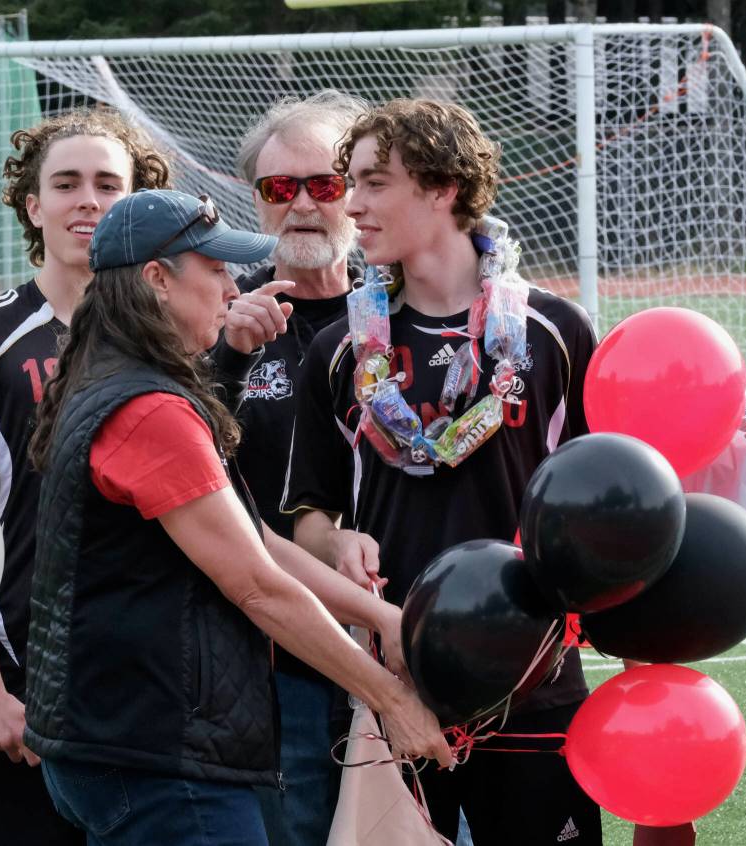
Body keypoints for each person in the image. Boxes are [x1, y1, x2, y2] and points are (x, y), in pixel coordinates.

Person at [22, 188, 453, 845]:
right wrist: (393, 701)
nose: (232, 286)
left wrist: (382, 617)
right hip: (156, 754)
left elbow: (255, 545)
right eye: (216, 269)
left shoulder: (115, 380)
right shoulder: (148, 409)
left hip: (118, 742)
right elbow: (256, 583)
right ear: (157, 281)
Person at [282, 98, 604, 845]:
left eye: (373, 183)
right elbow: (305, 517)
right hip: (392, 685)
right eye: (351, 183)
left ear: (442, 188)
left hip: (533, 683)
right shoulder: (337, 349)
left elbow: (606, 509)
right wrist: (337, 544)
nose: (352, 206)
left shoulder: (557, 333)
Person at [0, 108, 170, 846]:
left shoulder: (170, 335)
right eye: (66, 184)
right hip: (15, 671)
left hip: (139, 684)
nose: (87, 201)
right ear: (34, 205)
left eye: (107, 184)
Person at [210, 90, 367, 846]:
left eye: (325, 185)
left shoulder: (395, 311)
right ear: (256, 199)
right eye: (281, 188)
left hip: (398, 632)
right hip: (274, 651)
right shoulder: (217, 310)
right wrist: (225, 357)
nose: (302, 204)